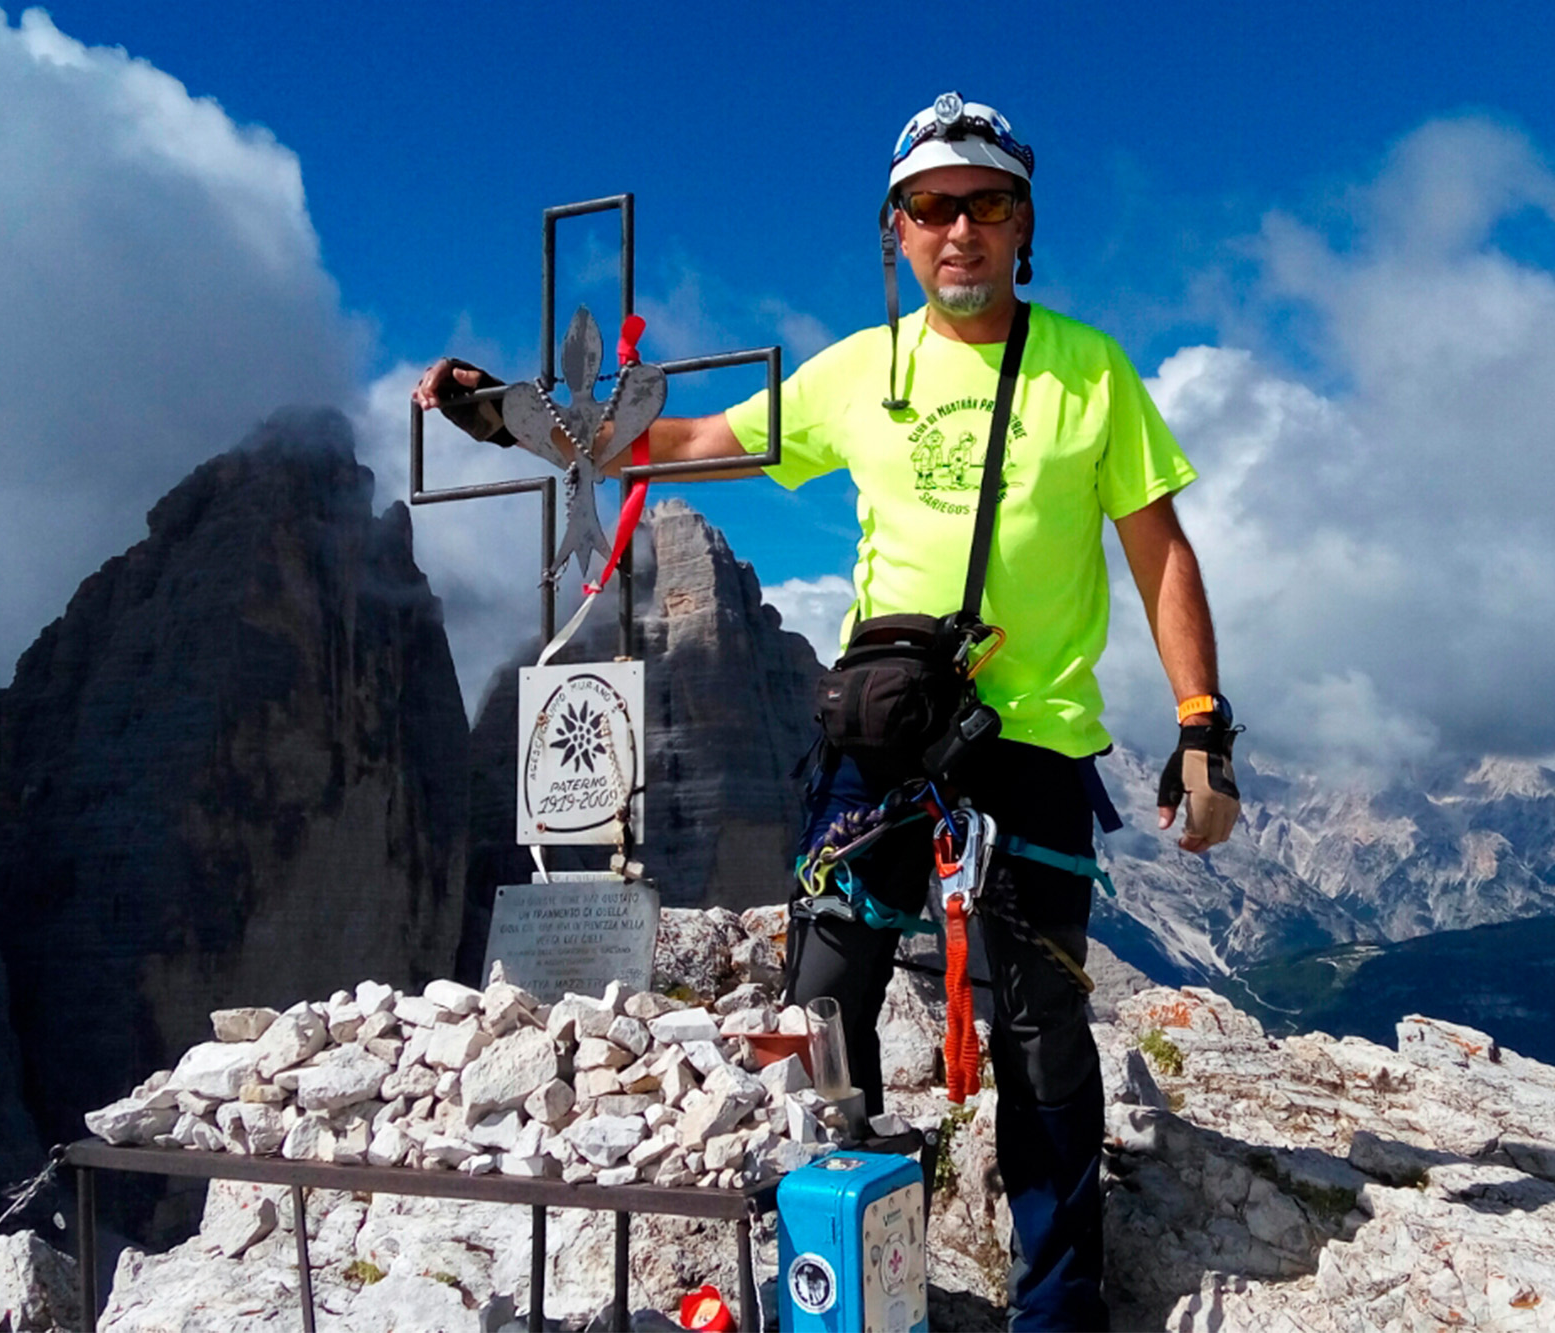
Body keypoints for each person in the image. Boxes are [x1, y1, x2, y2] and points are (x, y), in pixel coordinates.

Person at [416, 92, 1241, 1330]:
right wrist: (517, 420)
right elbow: (689, 441)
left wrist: (1198, 724)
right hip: (878, 742)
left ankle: (1056, 1307)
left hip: (1029, 747)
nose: (955, 228)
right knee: (823, 1006)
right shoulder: (860, 372)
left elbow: (1159, 552)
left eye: (984, 203)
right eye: (929, 207)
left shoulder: (1089, 370)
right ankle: (847, 1283)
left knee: (1040, 1039)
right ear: (894, 232)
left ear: (1022, 224)